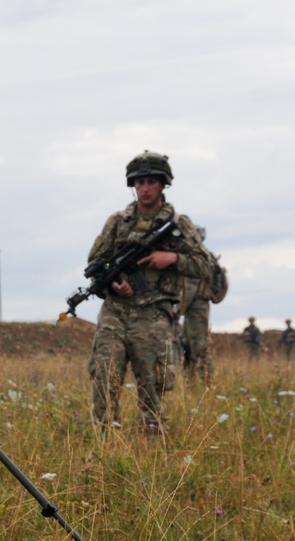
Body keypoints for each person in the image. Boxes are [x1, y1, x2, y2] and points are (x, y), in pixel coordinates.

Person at [86, 150, 211, 433]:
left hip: (154, 314)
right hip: (115, 312)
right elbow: (95, 261)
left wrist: (173, 259)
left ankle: (153, 447)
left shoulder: (179, 225)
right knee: (105, 378)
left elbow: (205, 266)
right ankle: (105, 442)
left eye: (151, 182)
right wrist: (112, 282)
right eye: (139, 182)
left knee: (152, 385)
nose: (144, 188)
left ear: (163, 184)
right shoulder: (117, 222)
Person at [177, 225, 215, 384]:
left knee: (199, 347)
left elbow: (190, 287)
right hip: (193, 309)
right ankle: (191, 383)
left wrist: (177, 310)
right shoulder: (203, 255)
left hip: (196, 308)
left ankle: (208, 383)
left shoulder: (198, 258)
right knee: (188, 346)